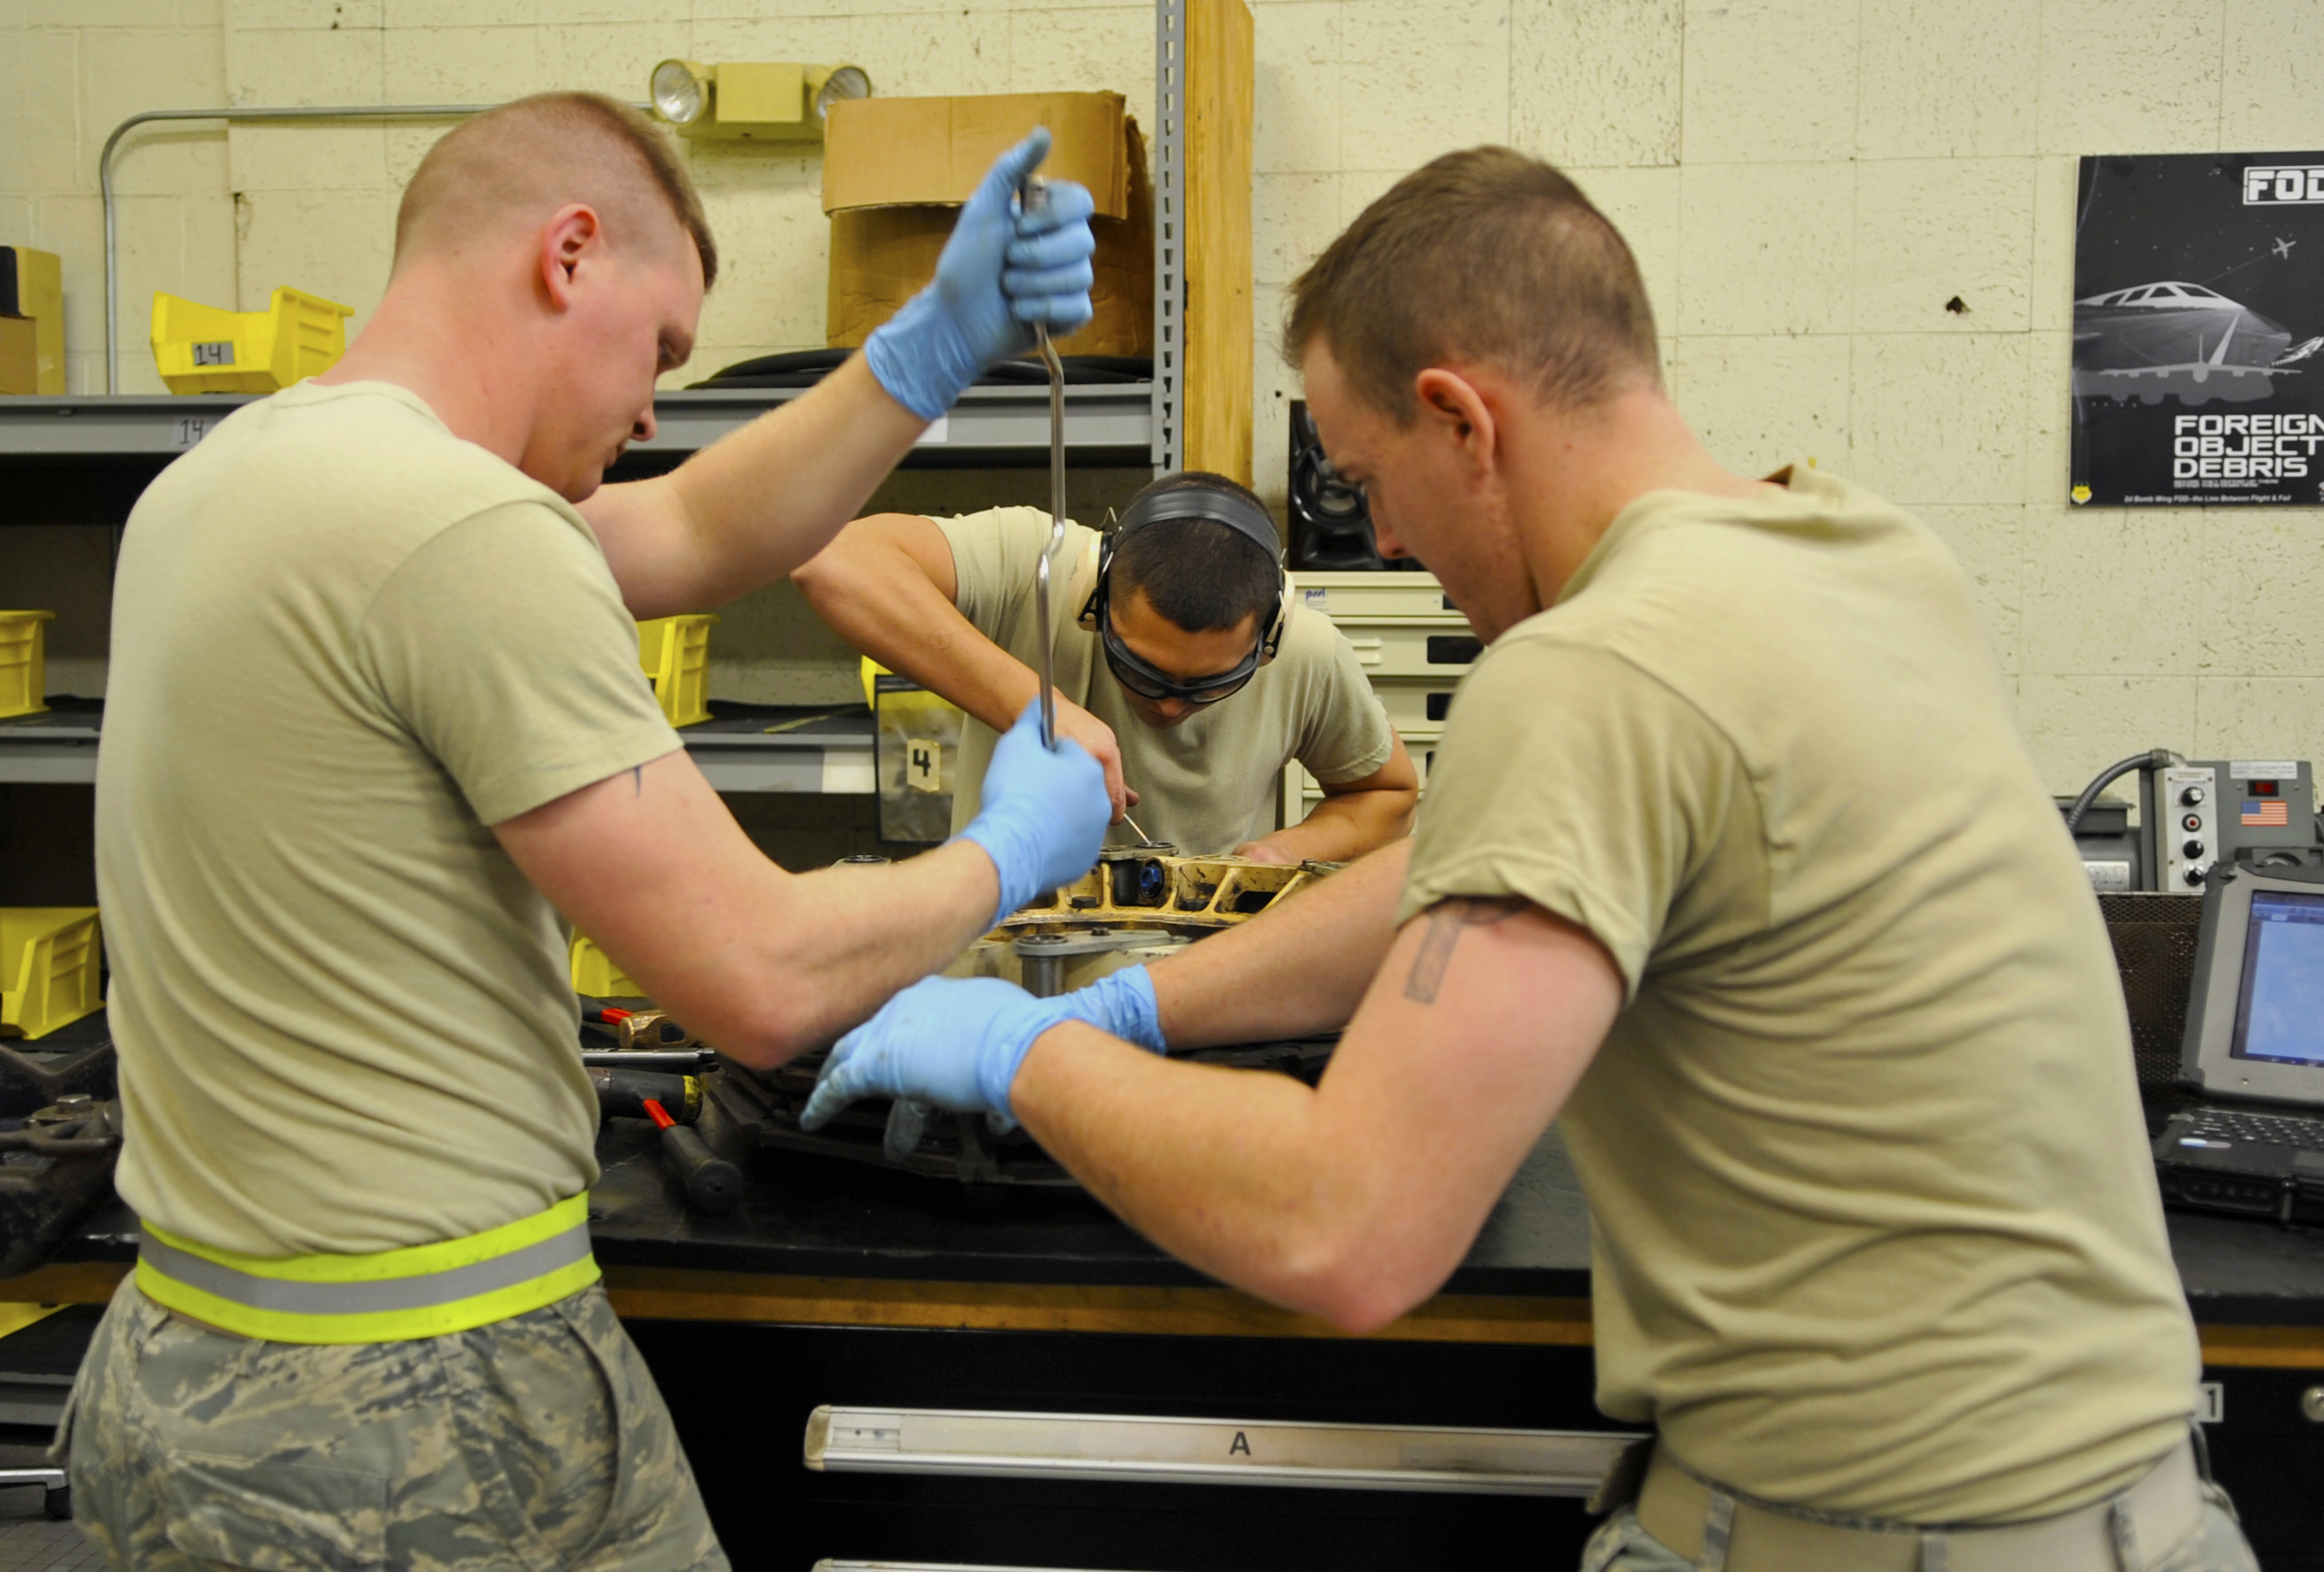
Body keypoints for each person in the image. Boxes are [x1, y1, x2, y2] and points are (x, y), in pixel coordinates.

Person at [801, 147, 2260, 1572]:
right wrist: (1131, 1008)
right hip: (2148, 1518)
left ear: (1459, 420)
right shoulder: (1860, 549)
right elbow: (1457, 873)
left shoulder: (1588, 669)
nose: (1382, 538)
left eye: (1368, 479)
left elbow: (1346, 1228)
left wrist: (1023, 1055)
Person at [69, 93, 1110, 1569]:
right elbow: (758, 979)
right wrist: (1003, 852)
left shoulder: (230, 482)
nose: (651, 413)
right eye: (662, 350)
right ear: (568, 255)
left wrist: (923, 353)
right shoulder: (455, 527)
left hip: (192, 1356)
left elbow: (691, 528)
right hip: (409, 1411)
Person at [795, 470, 1417, 861]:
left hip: (1193, 991)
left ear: (1268, 638)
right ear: (1094, 594)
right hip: (1005, 985)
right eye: (1141, 668)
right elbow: (833, 560)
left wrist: (1280, 855)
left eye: (1208, 684)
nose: (1169, 704)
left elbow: (1386, 794)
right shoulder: (1037, 570)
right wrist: (1040, 708)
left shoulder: (1306, 650)